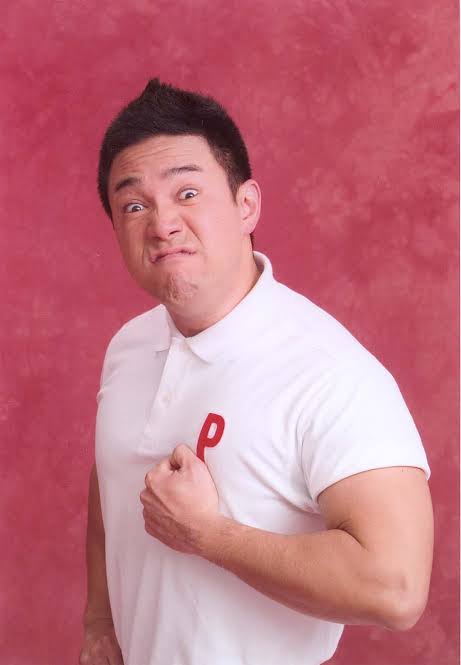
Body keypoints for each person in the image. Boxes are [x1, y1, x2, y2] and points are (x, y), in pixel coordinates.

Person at [79, 78, 434, 665]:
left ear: (246, 206)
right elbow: (111, 475)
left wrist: (209, 535)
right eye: (134, 205)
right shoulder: (128, 347)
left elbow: (395, 588)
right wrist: (99, 621)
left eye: (187, 193)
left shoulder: (330, 373)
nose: (162, 223)